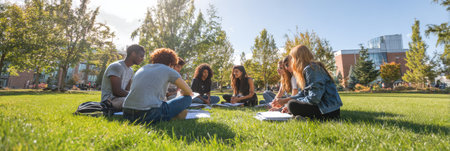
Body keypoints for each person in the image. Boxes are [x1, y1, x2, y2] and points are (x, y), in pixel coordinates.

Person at [272, 45, 343, 120]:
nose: (291, 61)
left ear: (297, 58)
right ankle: (302, 117)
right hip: (324, 109)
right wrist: (285, 101)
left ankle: (307, 118)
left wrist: (289, 102)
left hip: (328, 111)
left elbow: (314, 98)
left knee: (292, 104)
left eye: (292, 58)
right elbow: (304, 93)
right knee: (291, 105)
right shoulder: (308, 69)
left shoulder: (312, 69)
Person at [123, 48, 193, 124]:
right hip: (147, 113)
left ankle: (171, 117)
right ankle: (171, 116)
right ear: (170, 63)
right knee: (188, 99)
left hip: (127, 113)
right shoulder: (169, 70)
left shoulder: (143, 68)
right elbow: (189, 92)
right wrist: (182, 94)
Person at [100, 44, 145, 112]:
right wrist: (135, 95)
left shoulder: (130, 70)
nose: (142, 59)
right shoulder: (117, 66)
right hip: (110, 100)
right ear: (133, 53)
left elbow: (127, 90)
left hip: (121, 99)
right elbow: (116, 91)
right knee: (139, 102)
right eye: (141, 56)